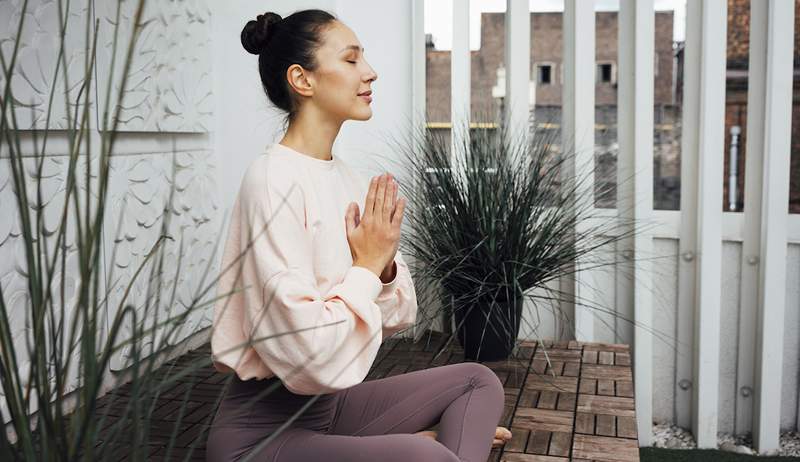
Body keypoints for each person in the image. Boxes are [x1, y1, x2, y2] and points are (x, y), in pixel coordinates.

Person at [205, 8, 512, 461]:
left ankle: (404, 448)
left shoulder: (348, 179)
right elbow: (308, 356)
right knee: (427, 457)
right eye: (351, 60)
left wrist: (383, 267)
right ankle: (431, 449)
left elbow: (398, 314)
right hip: (261, 435)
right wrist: (366, 266)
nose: (369, 72)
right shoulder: (272, 180)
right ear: (302, 80)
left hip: (329, 410)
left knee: (478, 381)